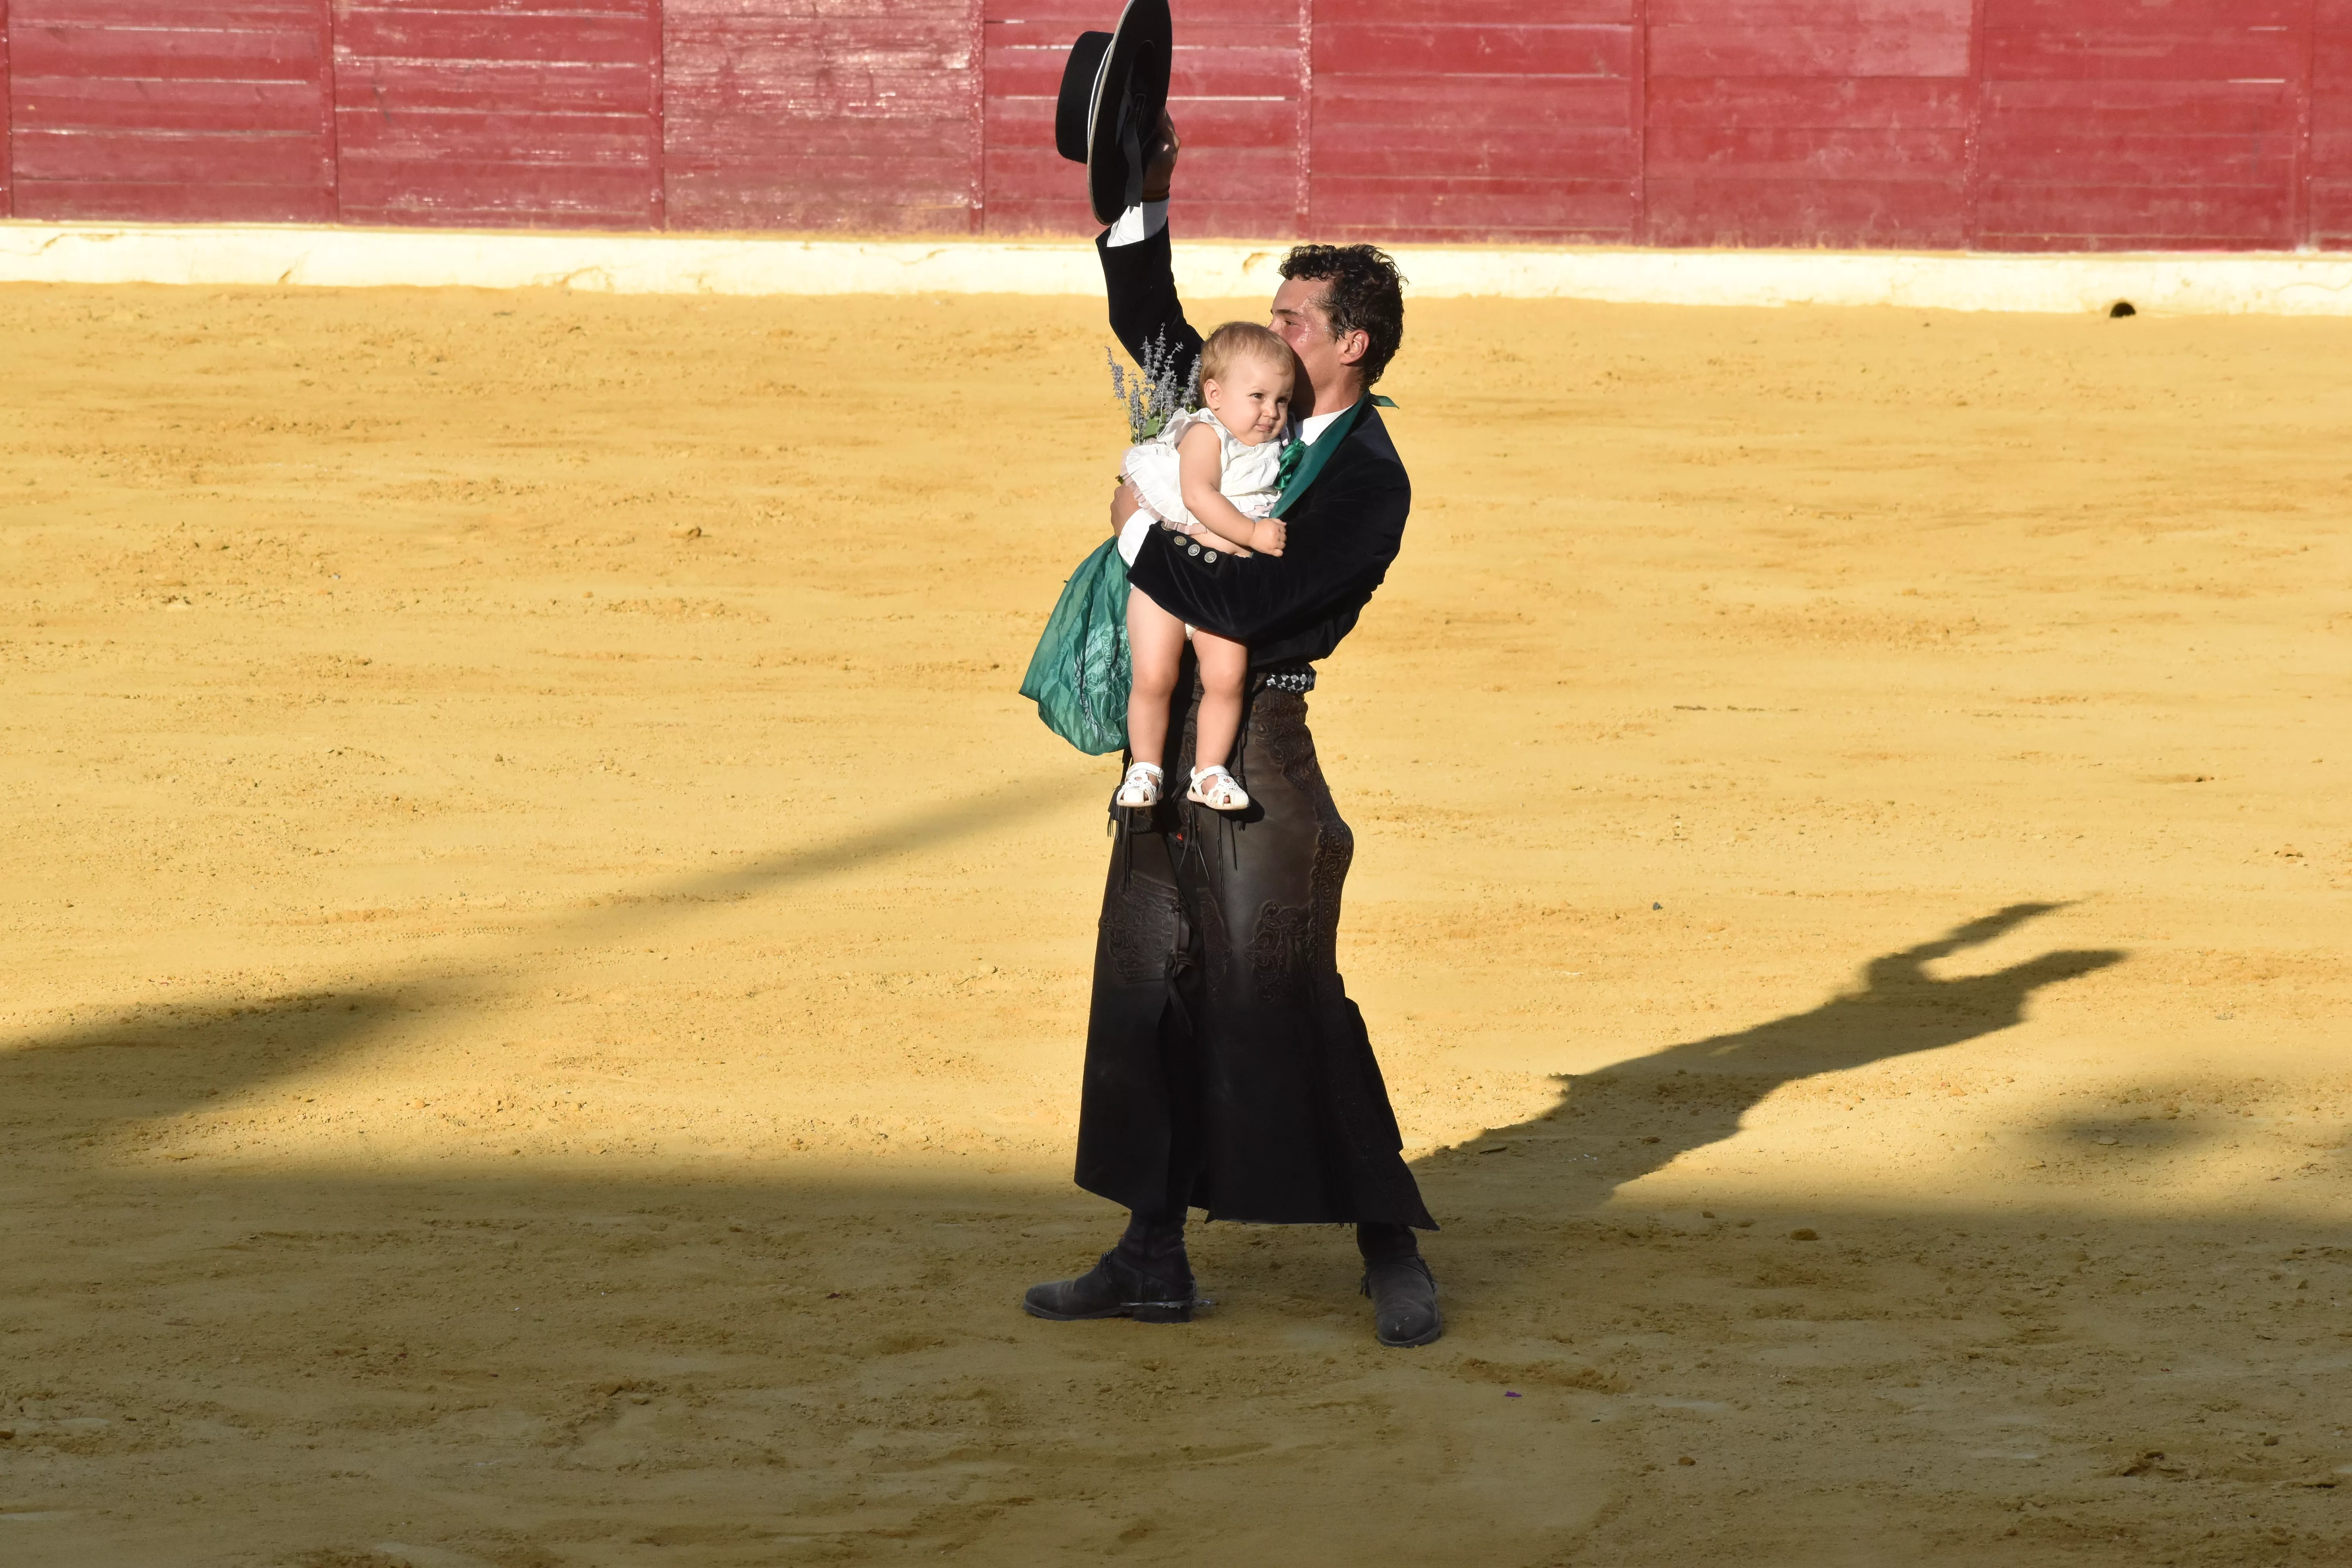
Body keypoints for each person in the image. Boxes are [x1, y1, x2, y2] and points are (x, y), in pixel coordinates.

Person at [1023, 114, 1443, 1348]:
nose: (1268, 332)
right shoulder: (1233, 400)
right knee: (1147, 981)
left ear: (1350, 344)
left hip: (1263, 747)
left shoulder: (1367, 479)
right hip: (1173, 756)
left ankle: (1389, 1245)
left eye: (1295, 318)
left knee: (1287, 988)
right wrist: (1138, 200)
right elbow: (1155, 326)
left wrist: (1140, 525)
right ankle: (1151, 1253)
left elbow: (1256, 603)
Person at [1114, 321, 1295, 814]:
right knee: (1154, 674)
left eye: (1282, 400)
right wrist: (1253, 534)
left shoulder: (1272, 445)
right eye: (1258, 396)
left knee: (1227, 677)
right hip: (1168, 576)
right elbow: (1198, 495)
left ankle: (1209, 770)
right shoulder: (1205, 433)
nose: (1271, 412)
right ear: (1214, 394)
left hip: (1221, 586)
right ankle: (1146, 766)